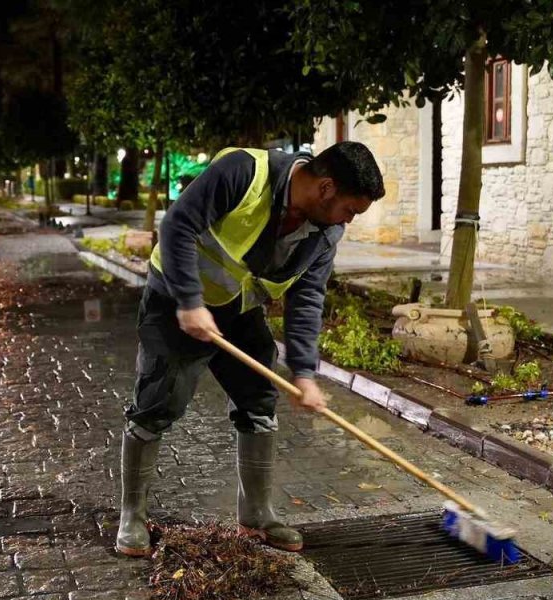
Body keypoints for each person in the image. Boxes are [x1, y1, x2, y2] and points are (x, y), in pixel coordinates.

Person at [117, 141, 384, 556]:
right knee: (157, 404)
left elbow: (308, 297)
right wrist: (189, 302)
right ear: (326, 188)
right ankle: (131, 516)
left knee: (260, 398)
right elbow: (177, 227)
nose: (349, 220)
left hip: (238, 310)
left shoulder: (325, 232)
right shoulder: (244, 172)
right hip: (175, 299)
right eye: (351, 209)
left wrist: (304, 373)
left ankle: (256, 513)